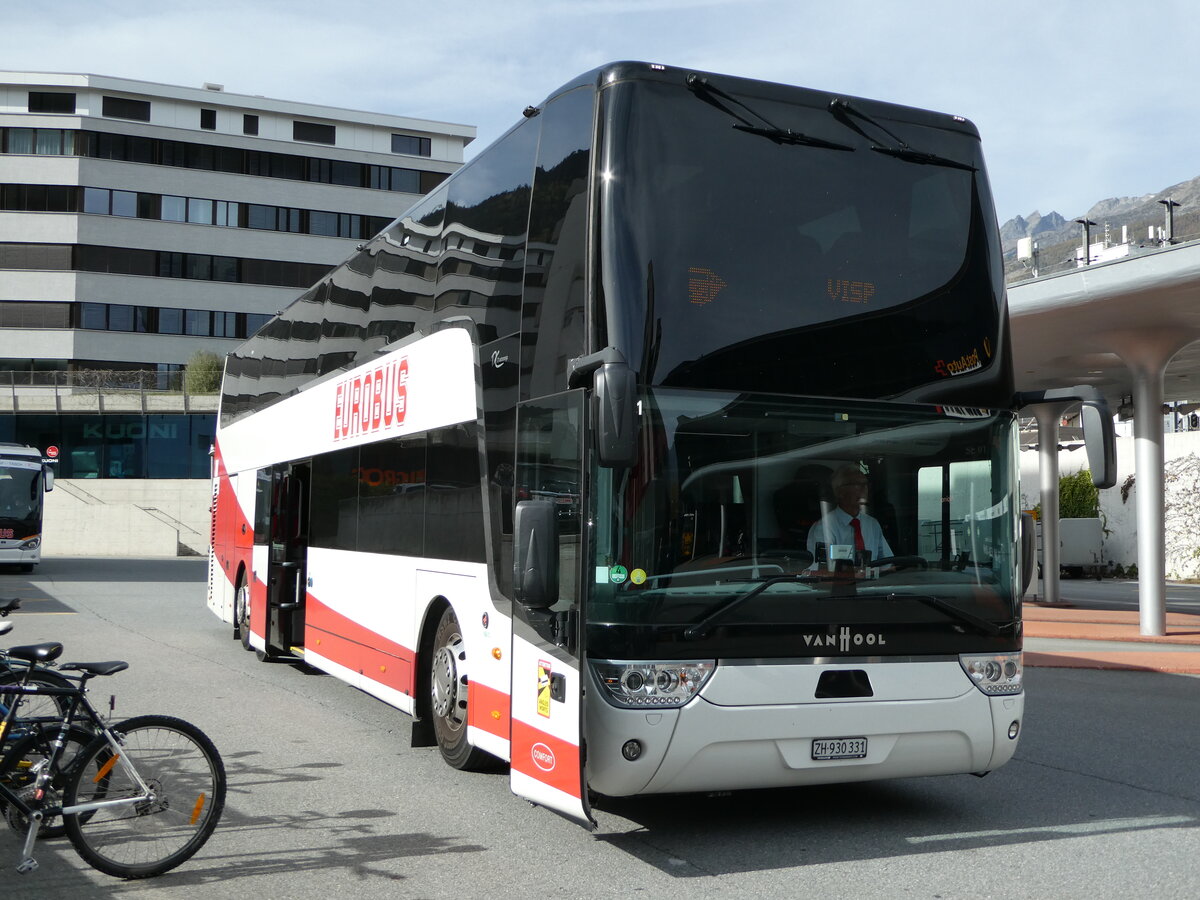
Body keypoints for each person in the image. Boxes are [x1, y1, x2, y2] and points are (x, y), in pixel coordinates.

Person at [806, 464, 893, 563]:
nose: (864, 488)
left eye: (866, 484)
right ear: (840, 491)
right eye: (857, 484)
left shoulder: (872, 524)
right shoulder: (824, 527)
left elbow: (887, 562)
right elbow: (822, 569)